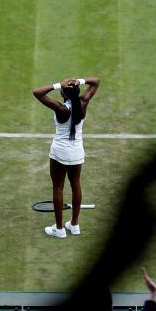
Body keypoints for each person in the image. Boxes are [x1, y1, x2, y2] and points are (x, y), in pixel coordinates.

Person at [32, 76, 100, 238]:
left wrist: (57, 85)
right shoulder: (83, 102)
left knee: (58, 187)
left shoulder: (60, 108)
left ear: (63, 93)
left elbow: (37, 93)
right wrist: (80, 81)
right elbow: (96, 81)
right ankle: (74, 225)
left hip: (60, 153)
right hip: (77, 152)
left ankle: (59, 229)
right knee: (76, 185)